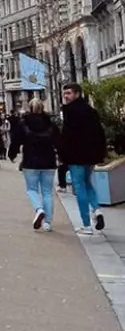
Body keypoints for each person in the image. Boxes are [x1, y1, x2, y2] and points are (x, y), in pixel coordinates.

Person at [60, 83, 107, 235]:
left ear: (77, 94)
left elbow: (67, 136)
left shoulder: (69, 112)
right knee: (88, 183)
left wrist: (62, 155)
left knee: (79, 187)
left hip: (75, 156)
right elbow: (100, 133)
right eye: (65, 93)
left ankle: (86, 225)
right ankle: (97, 210)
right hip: (90, 155)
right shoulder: (91, 111)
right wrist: (100, 153)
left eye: (69, 93)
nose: (66, 96)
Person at [9, 98, 60, 231]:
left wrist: (12, 154)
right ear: (42, 108)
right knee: (47, 192)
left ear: (30, 108)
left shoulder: (23, 123)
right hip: (49, 161)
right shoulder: (50, 123)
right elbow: (59, 142)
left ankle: (39, 209)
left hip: (30, 161)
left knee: (32, 190)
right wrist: (62, 156)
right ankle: (47, 223)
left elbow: (16, 140)